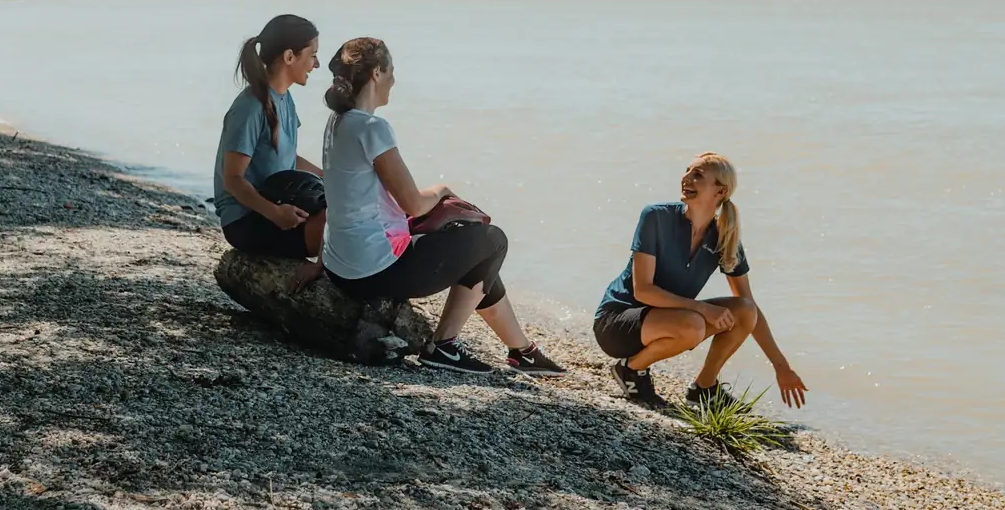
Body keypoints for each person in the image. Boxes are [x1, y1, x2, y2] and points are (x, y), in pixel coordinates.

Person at [319, 36, 563, 376]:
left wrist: (319, 261)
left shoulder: (338, 123)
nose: (394, 80)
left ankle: (522, 350)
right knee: (492, 240)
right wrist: (441, 190)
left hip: (341, 265)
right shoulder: (372, 128)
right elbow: (414, 204)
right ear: (376, 73)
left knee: (474, 255)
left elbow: (344, 198)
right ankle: (444, 345)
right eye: (391, 71)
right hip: (374, 271)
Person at [594, 154, 807, 411]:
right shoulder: (655, 217)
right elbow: (644, 291)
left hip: (671, 321)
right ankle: (630, 370)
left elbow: (751, 308)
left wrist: (781, 367)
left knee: (744, 310)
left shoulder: (724, 237)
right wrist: (703, 308)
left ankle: (704, 388)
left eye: (698, 175)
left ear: (720, 191)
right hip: (616, 323)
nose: (686, 178)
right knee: (693, 324)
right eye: (687, 171)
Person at [214, 15, 326, 266]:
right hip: (246, 220)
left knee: (349, 210)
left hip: (277, 201)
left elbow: (288, 157)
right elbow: (233, 179)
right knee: (337, 225)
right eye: (313, 55)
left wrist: (328, 177)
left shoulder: (284, 99)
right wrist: (275, 214)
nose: (316, 64)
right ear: (289, 56)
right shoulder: (249, 108)